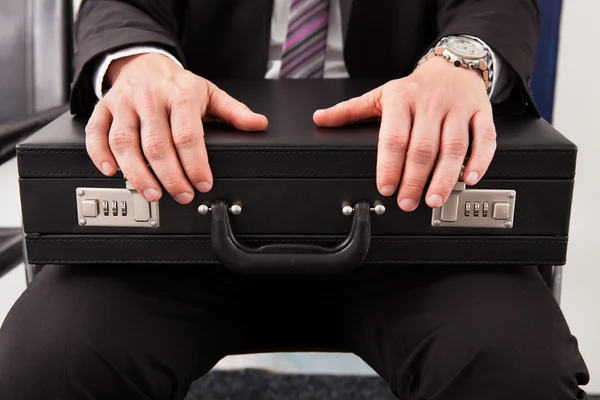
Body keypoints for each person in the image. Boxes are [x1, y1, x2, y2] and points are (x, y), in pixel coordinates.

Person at [0, 0, 590, 399]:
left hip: (416, 228)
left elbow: (497, 5)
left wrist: (461, 62)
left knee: (522, 369)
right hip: (176, 224)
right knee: (46, 362)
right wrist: (136, 63)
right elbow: (121, 5)